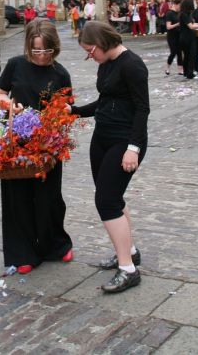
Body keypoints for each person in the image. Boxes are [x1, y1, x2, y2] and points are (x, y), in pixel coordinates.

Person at [69, 21, 149, 293]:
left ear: (103, 42)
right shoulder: (106, 65)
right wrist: (75, 111)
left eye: (91, 51)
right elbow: (105, 101)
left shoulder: (133, 65)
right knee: (113, 197)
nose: (90, 56)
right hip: (102, 137)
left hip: (124, 140)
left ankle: (128, 269)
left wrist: (133, 148)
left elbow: (142, 109)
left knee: (106, 201)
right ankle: (130, 251)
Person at [0, 19, 73, 275]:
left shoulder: (60, 73)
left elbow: (67, 108)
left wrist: (54, 120)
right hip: (17, 143)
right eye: (36, 51)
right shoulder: (16, 64)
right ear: (28, 46)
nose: (41, 56)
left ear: (54, 48)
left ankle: (55, 245)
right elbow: (0, 93)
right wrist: (9, 105)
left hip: (48, 143)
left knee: (49, 198)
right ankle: (23, 252)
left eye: (46, 51)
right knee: (18, 198)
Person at [179, 0, 198, 79]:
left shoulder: (187, 14)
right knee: (191, 55)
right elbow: (191, 26)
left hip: (185, 37)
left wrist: (196, 24)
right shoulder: (185, 14)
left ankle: (186, 72)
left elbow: (191, 23)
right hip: (187, 38)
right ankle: (189, 73)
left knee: (186, 55)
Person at [165, 0, 182, 75]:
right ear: (176, 4)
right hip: (171, 36)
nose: (180, 8)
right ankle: (167, 67)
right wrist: (177, 24)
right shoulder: (169, 13)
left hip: (179, 35)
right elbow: (168, 26)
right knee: (173, 52)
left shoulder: (179, 13)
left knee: (179, 53)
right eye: (180, 6)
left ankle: (180, 69)